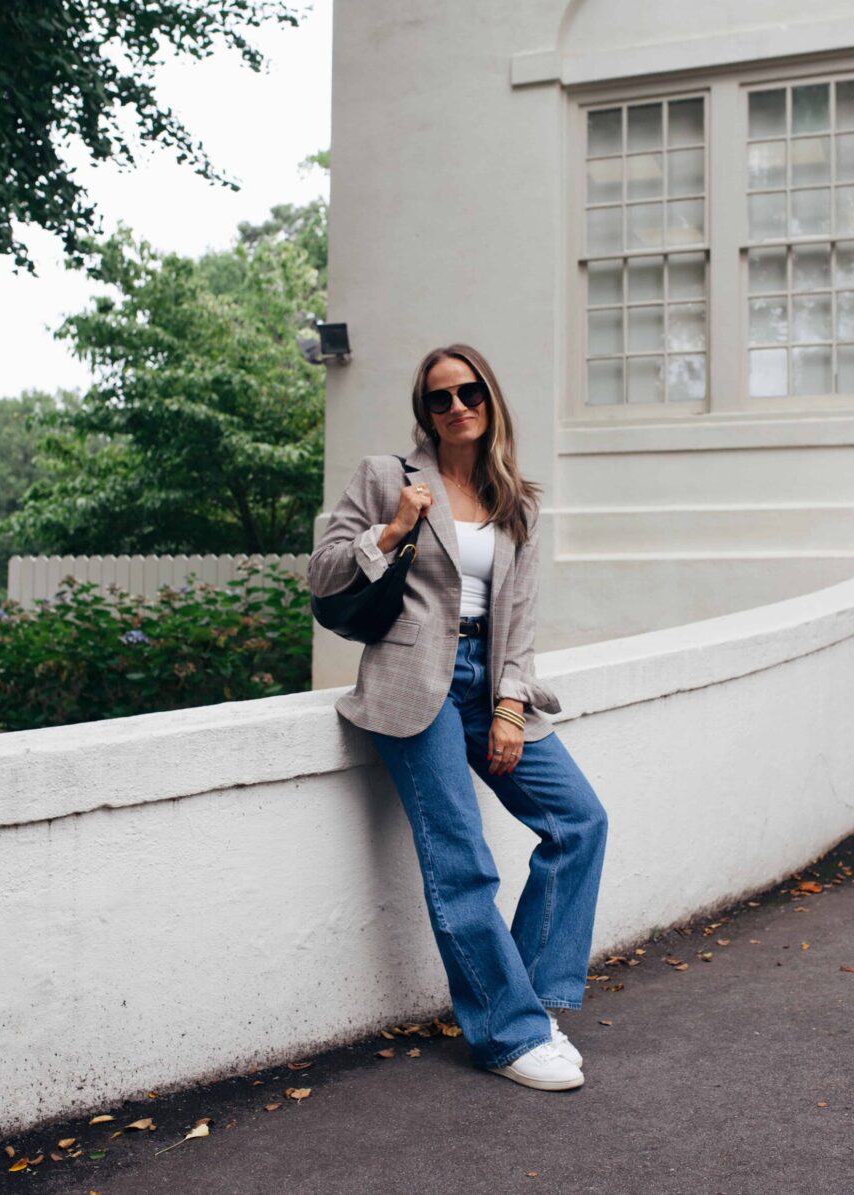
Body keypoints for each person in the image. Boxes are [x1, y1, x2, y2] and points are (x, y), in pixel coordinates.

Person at [308, 343, 609, 1092]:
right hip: (417, 683)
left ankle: (532, 1004)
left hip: (488, 683)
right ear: (426, 412)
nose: (456, 407)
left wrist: (510, 703)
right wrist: (389, 531)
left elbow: (523, 619)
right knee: (462, 857)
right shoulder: (388, 477)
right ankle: (507, 1036)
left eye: (468, 391)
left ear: (490, 399)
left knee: (580, 822)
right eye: (439, 398)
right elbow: (322, 572)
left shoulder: (519, 502)